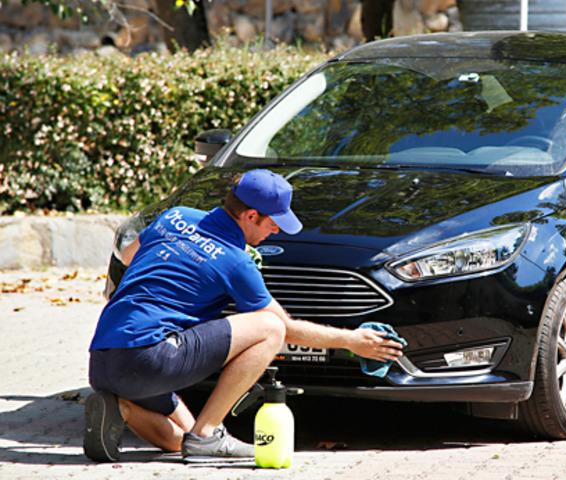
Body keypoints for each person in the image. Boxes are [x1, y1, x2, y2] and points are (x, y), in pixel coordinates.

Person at [84, 169, 403, 462]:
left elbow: (129, 256)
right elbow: (286, 328)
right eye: (273, 221)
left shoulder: (175, 216)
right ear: (251, 215)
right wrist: (351, 340)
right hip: (150, 358)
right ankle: (208, 434)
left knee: (182, 440)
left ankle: (122, 409)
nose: (277, 229)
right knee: (269, 328)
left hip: (102, 361)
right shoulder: (236, 261)